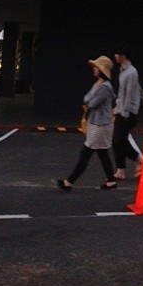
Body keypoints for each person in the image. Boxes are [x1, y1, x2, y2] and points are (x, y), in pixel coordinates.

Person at [57, 55, 117, 191]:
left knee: (86, 153)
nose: (94, 69)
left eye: (96, 67)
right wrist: (89, 101)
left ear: (101, 70)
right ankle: (111, 181)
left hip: (100, 125)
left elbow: (92, 103)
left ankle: (69, 182)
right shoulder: (99, 84)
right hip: (98, 123)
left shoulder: (104, 87)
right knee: (102, 153)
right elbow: (87, 99)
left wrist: (89, 101)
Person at [112, 44, 143, 180]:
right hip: (122, 110)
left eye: (117, 54)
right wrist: (116, 108)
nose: (115, 57)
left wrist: (124, 113)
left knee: (119, 140)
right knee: (117, 141)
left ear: (123, 56)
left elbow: (129, 94)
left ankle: (140, 160)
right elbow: (122, 94)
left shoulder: (131, 72)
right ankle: (121, 170)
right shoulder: (123, 71)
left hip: (128, 112)